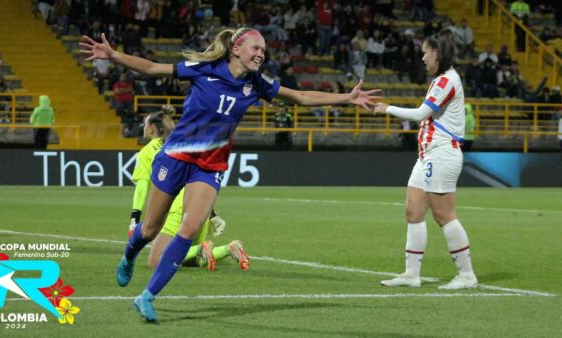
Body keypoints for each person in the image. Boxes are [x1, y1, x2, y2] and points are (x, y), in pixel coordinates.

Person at [80, 27, 380, 323]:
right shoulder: (205, 69)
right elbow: (150, 67)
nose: (261, 54)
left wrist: (345, 98)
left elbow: (300, 96)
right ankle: (129, 256)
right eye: (255, 48)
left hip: (210, 166)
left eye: (264, 50)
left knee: (191, 226)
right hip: (175, 157)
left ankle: (147, 296)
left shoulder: (257, 83)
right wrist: (113, 56)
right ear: (236, 49)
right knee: (149, 229)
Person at [374, 31, 478, 290]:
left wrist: (388, 109)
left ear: (437, 53)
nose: (422, 57)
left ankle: (467, 275)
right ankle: (411, 274)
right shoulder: (441, 80)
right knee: (413, 212)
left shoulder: (447, 80)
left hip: (442, 153)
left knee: (444, 215)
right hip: (428, 155)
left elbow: (422, 114)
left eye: (426, 52)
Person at [130, 106, 249, 272]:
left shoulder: (147, 152)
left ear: (151, 129)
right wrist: (212, 214)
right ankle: (229, 249)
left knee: (157, 260)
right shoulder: (183, 145)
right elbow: (197, 181)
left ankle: (201, 249)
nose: (143, 126)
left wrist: (134, 218)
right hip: (199, 210)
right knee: (191, 260)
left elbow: (142, 188)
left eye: (145, 123)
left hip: (175, 210)